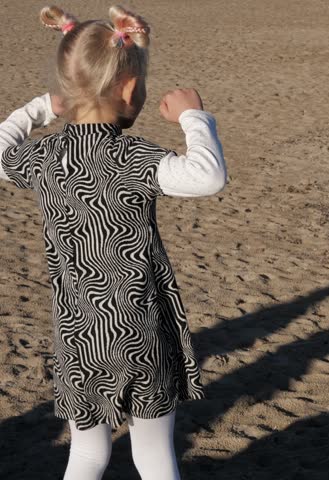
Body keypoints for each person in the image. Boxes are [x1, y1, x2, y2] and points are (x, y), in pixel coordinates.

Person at [0, 5, 227, 479]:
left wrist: (43, 106)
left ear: (65, 89)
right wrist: (194, 117)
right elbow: (206, 176)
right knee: (153, 454)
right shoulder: (135, 157)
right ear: (128, 89)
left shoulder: (44, 157)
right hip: (141, 331)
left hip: (79, 336)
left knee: (86, 455)